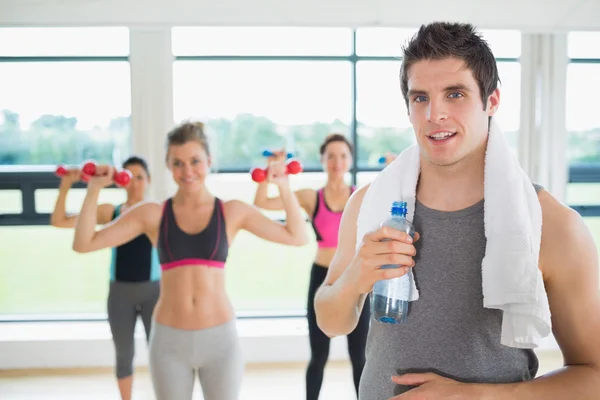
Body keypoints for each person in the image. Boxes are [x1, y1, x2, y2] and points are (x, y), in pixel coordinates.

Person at [314, 21, 600, 399]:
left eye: (455, 94)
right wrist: (357, 276)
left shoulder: (553, 225)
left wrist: (478, 396)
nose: (435, 114)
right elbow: (331, 321)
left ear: (492, 100)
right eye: (420, 98)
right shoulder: (371, 204)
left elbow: (593, 374)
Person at [71, 121, 309, 400]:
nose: (188, 171)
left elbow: (296, 236)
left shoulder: (232, 212)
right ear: (168, 166)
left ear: (208, 161)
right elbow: (84, 243)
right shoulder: (152, 215)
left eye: (195, 161)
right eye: (178, 163)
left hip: (220, 342)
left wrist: (282, 185)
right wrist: (94, 188)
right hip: (169, 342)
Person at [253, 134, 369, 400]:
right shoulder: (310, 197)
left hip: (356, 282)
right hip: (322, 278)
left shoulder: (361, 196)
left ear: (350, 160)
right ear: (322, 161)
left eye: (342, 156)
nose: (337, 162)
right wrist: (272, 171)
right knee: (318, 356)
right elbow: (263, 202)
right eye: (331, 156)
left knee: (359, 357)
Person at [51, 156, 159, 400]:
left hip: (154, 293)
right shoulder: (111, 212)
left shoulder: (155, 214)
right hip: (120, 294)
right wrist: (67, 184)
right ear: (121, 181)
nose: (134, 183)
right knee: (124, 355)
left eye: (139, 177)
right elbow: (59, 221)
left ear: (149, 180)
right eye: (129, 177)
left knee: (160, 353)